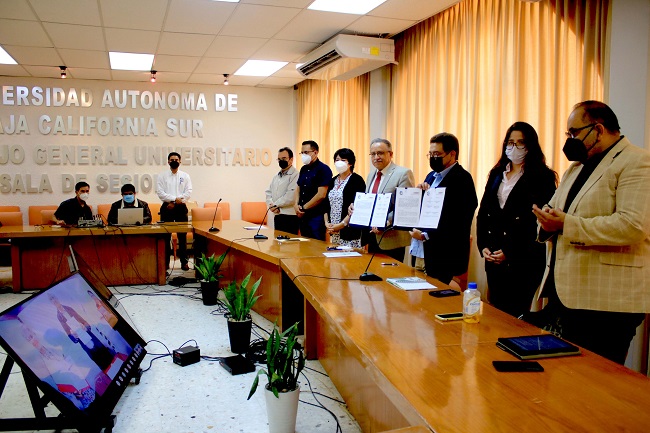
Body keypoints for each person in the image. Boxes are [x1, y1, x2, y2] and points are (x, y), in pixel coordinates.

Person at [532, 101, 650, 364]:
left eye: (574, 133)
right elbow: (555, 208)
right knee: (564, 376)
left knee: (597, 381)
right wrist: (545, 220)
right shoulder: (576, 168)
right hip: (567, 295)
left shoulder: (637, 161)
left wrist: (566, 224)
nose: (570, 140)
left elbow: (632, 226)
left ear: (598, 129)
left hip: (608, 302)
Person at [476, 122, 557, 318]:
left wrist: (510, 252)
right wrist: (484, 245)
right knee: (495, 312)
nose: (514, 147)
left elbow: (537, 222)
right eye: (510, 142)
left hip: (523, 259)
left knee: (514, 315)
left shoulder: (543, 176)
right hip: (494, 256)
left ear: (530, 146)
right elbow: (484, 212)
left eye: (520, 143)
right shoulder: (497, 173)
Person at [409, 133, 477, 285]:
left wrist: (426, 235)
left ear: (452, 154)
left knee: (439, 294)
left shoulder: (462, 178)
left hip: (446, 253)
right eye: (430, 154)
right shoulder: (431, 176)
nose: (433, 158)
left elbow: (459, 219)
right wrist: (419, 194)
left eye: (437, 154)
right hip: (424, 251)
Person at [360, 138, 415, 262]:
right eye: (373, 154)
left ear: (390, 154)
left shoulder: (403, 173)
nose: (376, 157)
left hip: (391, 237)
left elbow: (405, 206)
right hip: (371, 235)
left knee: (390, 273)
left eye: (380, 153)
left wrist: (385, 222)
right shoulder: (371, 175)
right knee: (373, 271)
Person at [156, 152, 193, 271]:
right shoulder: (162, 176)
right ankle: (165, 263)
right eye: (172, 160)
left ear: (180, 161)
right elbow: (160, 193)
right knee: (166, 237)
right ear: (168, 161)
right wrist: (173, 199)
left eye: (176, 160)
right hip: (167, 208)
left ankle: (184, 262)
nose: (174, 161)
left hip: (181, 208)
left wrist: (176, 202)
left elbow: (188, 192)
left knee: (182, 236)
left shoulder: (185, 176)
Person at [324, 148, 366, 248]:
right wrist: (327, 223)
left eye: (343, 160)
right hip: (333, 230)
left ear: (350, 163)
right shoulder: (333, 181)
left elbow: (356, 206)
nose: (339, 162)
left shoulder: (357, 180)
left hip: (349, 230)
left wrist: (341, 225)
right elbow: (326, 204)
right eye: (337, 160)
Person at [294, 140, 332, 241]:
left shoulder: (324, 169)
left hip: (316, 216)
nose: (303, 155)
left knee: (316, 245)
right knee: (304, 244)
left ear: (315, 152)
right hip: (302, 216)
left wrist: (304, 208)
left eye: (306, 152)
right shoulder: (303, 169)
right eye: (302, 153)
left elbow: (321, 194)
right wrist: (296, 204)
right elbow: (298, 188)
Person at [265, 147, 299, 234]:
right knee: (277, 240)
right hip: (277, 215)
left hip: (290, 216)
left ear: (291, 159)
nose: (281, 161)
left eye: (284, 158)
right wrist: (271, 205)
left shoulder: (296, 175)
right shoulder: (276, 176)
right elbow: (268, 192)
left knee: (289, 242)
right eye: (279, 159)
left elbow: (291, 196)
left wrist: (275, 205)